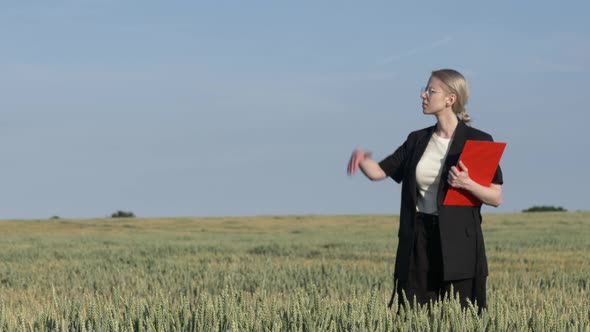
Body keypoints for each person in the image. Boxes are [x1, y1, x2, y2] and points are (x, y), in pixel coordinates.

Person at [347, 69, 503, 312]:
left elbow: (496, 197)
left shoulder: (478, 140)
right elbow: (379, 172)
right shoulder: (417, 140)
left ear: (450, 99)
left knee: (465, 319)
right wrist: (361, 158)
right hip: (418, 240)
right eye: (425, 89)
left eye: (431, 90)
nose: (423, 95)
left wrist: (467, 183)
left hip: (460, 244)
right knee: (412, 316)